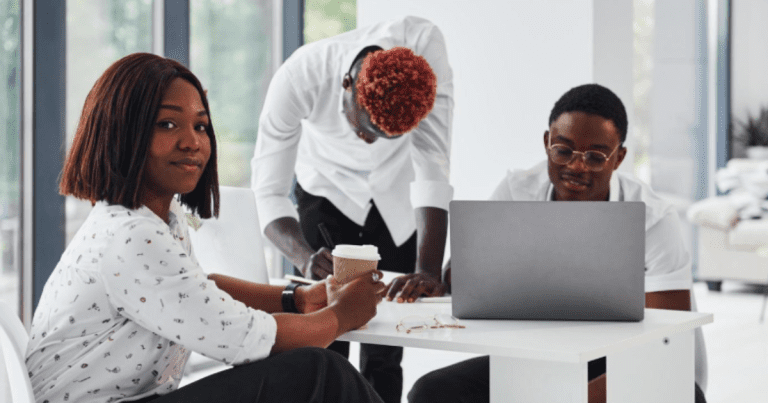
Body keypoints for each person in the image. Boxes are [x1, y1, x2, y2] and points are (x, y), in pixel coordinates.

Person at [25, 52, 386, 403]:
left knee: (313, 370)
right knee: (318, 371)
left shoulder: (155, 220)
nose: (192, 141)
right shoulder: (132, 236)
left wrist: (297, 298)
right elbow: (246, 339)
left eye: (201, 126)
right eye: (167, 124)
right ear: (121, 131)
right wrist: (342, 315)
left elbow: (199, 289)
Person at [407, 84, 707, 403]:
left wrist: (574, 396)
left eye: (595, 157)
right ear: (547, 143)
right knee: (432, 392)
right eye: (563, 151)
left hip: (636, 363)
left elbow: (666, 340)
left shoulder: (654, 219)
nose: (576, 167)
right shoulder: (517, 191)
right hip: (544, 357)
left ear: (618, 158)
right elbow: (470, 272)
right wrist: (445, 277)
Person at [251, 16, 453, 403]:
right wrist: (305, 258)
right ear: (347, 85)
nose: (368, 142)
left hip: (394, 202)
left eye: (382, 137)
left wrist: (428, 269)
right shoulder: (299, 77)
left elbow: (433, 167)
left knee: (386, 350)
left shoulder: (425, 50)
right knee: (321, 342)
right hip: (325, 194)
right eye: (363, 129)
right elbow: (269, 190)